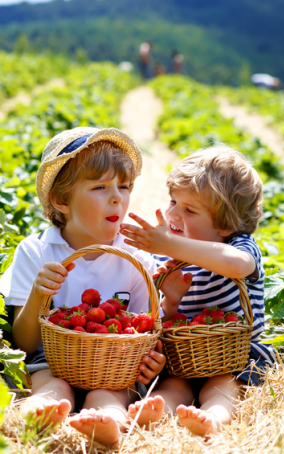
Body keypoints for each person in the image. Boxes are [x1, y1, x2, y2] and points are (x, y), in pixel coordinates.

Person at [0, 126, 169, 446]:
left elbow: (143, 332)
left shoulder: (135, 259)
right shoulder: (36, 252)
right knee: (50, 386)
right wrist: (39, 295)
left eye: (124, 186)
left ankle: (107, 422)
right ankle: (41, 413)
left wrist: (153, 358)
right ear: (61, 200)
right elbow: (23, 343)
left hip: (114, 370)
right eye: (100, 187)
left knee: (109, 395)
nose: (117, 197)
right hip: (51, 362)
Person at [120, 144, 277, 437]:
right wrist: (172, 299)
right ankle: (157, 411)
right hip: (184, 359)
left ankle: (214, 418)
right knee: (173, 386)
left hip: (234, 357)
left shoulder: (239, 247)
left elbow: (238, 265)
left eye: (189, 210)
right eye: (173, 202)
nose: (173, 214)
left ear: (226, 225)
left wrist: (170, 245)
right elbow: (161, 317)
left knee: (223, 385)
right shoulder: (169, 260)